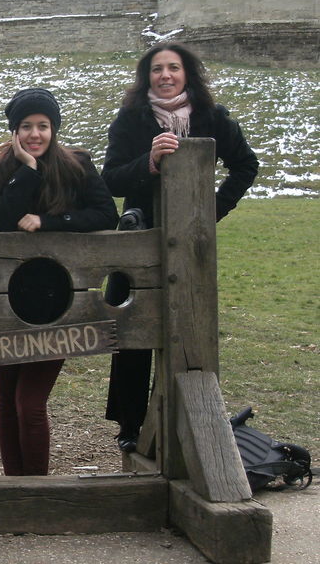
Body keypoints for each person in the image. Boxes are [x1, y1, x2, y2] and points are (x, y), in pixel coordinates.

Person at [101, 42, 258, 453]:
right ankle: (132, 424)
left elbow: (246, 165)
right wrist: (149, 160)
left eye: (173, 67)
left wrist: (212, 210)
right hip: (139, 238)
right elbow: (111, 178)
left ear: (187, 73)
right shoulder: (131, 119)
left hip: (191, 242)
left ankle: (187, 419)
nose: (165, 76)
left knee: (189, 327)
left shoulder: (212, 117)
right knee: (134, 330)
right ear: (147, 77)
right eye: (157, 69)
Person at [0, 88, 118, 475]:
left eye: (43, 126)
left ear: (54, 129)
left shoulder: (77, 166)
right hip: (10, 298)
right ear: (14, 131)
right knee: (7, 402)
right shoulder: (1, 168)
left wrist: (50, 222)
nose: (35, 134)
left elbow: (106, 215)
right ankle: (15, 487)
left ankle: (37, 490)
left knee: (29, 403)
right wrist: (26, 169)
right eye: (26, 126)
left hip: (59, 300)